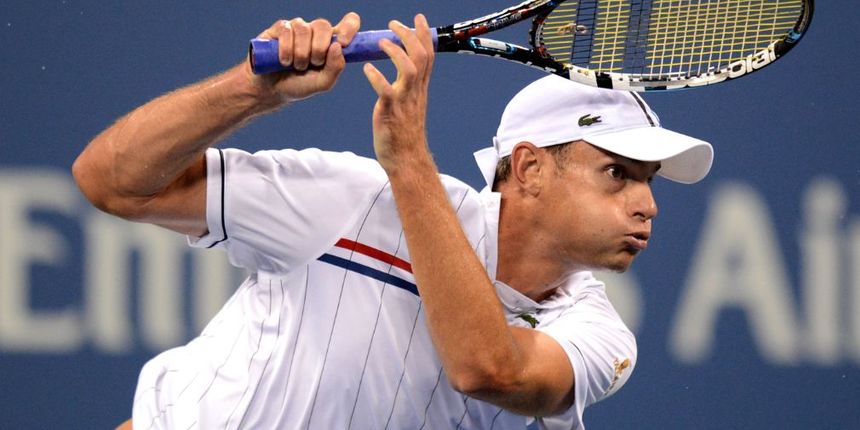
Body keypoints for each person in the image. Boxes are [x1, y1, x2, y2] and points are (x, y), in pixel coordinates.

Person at [74, 11, 713, 430]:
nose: (646, 205)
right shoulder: (352, 199)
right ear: (528, 168)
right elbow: (110, 182)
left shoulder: (598, 335)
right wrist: (252, 88)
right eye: (617, 173)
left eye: (649, 183)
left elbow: (489, 370)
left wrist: (409, 158)